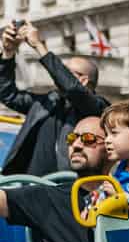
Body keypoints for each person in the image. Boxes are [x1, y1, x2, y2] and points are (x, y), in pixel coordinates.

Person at [0, 116, 111, 242]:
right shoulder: (49, 197)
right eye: (72, 138)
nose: (76, 145)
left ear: (111, 147)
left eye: (88, 139)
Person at [0, 21, 109, 176]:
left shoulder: (97, 107)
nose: (57, 74)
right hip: (27, 182)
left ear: (83, 80)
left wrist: (39, 45)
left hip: (67, 185)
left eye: (65, 71)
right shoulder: (48, 101)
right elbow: (8, 95)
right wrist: (8, 52)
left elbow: (72, 88)